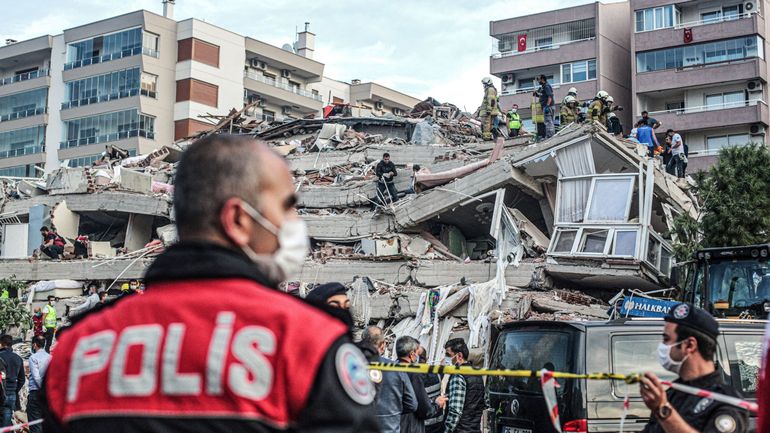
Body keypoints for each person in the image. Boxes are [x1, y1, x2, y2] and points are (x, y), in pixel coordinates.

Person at [42, 134, 379, 433]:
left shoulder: (77, 349)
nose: (294, 223)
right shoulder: (306, 342)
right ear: (237, 220)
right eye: (286, 207)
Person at [640, 303, 748, 433]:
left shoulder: (727, 401)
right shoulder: (672, 394)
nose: (662, 346)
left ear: (689, 345)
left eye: (666, 339)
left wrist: (664, 412)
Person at [397, 337, 446, 433]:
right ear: (412, 354)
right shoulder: (414, 374)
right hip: (414, 426)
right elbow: (425, 411)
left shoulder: (390, 369)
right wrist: (437, 404)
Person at [376, 338, 418, 433]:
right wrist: (393, 410)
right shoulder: (397, 369)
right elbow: (412, 404)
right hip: (389, 428)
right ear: (383, 346)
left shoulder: (348, 365)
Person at [443, 338, 484, 433]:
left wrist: (446, 430)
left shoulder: (458, 376)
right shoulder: (478, 374)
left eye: (448, 355)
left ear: (459, 356)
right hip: (474, 429)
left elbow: (455, 411)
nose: (446, 358)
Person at [417, 346, 444, 433]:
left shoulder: (413, 378)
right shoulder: (437, 373)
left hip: (422, 426)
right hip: (438, 424)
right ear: (427, 358)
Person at [27, 335, 50, 433]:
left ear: (34, 345)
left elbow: (36, 377)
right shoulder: (51, 357)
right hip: (48, 395)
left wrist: (43, 389)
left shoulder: (33, 358)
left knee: (35, 425)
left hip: (36, 393)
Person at [0, 335, 24, 427]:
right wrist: (15, 390)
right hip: (12, 393)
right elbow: (22, 379)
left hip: (1, 392)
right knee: (7, 418)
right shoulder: (18, 358)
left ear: (1, 344)